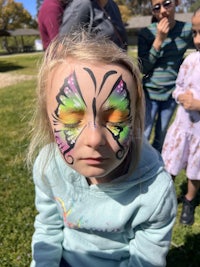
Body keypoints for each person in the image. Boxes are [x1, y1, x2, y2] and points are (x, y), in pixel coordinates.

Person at [28, 30, 177, 267]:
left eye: (116, 117)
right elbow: (48, 228)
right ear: (48, 120)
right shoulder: (48, 167)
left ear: (135, 119)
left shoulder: (154, 192)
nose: (95, 139)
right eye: (71, 117)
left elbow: (145, 261)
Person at [138, 0, 193, 152]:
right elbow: (143, 67)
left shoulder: (187, 30)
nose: (162, 10)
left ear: (176, 3)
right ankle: (139, 166)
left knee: (161, 134)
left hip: (170, 94)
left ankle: (156, 165)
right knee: (144, 133)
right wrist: (159, 39)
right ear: (153, 11)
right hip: (149, 93)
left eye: (167, 4)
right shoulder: (146, 33)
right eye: (157, 7)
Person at [162, 8, 200, 226]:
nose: (197, 39)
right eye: (195, 33)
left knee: (196, 169)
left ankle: (189, 200)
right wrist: (181, 96)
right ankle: (165, 197)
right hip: (182, 126)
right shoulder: (190, 61)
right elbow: (177, 87)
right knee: (171, 162)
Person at [59, 0, 127, 50]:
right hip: (92, 66)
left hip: (116, 65)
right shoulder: (82, 4)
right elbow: (64, 46)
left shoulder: (113, 6)